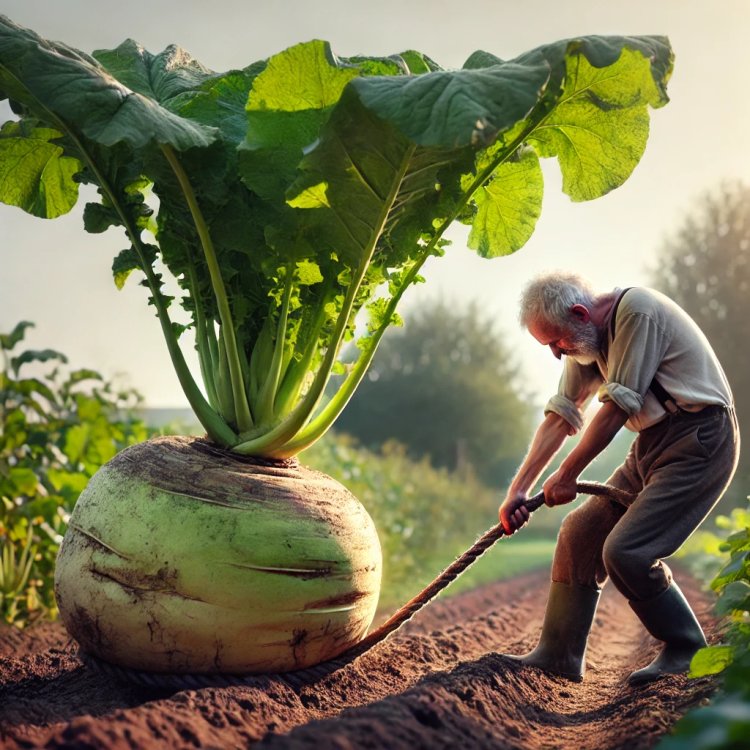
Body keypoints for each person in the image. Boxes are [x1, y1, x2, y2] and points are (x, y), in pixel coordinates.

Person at [499, 272, 739, 685]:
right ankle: (558, 653)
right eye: (549, 346)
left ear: (579, 314)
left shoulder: (638, 313)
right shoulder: (585, 343)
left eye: (556, 341)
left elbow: (615, 410)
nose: (557, 355)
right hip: (651, 442)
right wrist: (517, 489)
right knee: (580, 533)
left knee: (627, 551)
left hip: (701, 439)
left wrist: (567, 474)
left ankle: (686, 647)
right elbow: (561, 417)